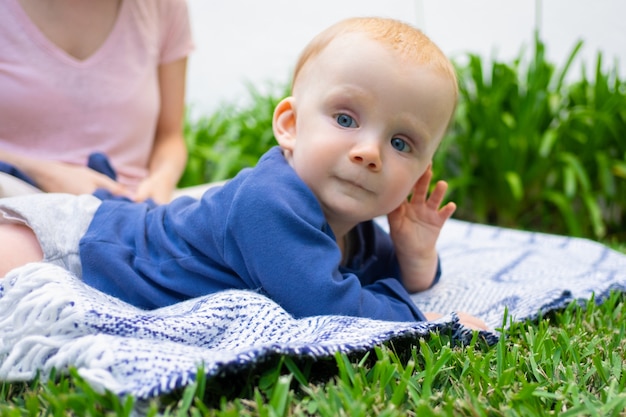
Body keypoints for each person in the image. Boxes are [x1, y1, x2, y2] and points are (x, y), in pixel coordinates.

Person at [0, 17, 487, 329]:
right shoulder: (270, 203)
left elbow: (382, 275)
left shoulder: (354, 228)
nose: (369, 152)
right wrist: (430, 323)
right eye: (345, 119)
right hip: (85, 246)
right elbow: (331, 308)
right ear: (290, 126)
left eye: (401, 143)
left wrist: (414, 255)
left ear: (422, 170)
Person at [0, 0, 193, 204]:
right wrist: (43, 173)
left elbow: (169, 137)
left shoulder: (163, 6)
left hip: (128, 208)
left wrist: (161, 180)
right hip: (15, 200)